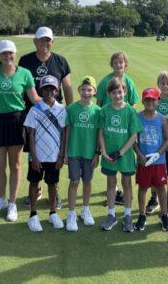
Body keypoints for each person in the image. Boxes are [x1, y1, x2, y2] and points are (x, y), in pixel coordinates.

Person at [0, 40, 40, 222]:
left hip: (17, 121)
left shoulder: (24, 73)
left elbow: (34, 97)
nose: (7, 56)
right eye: (3, 54)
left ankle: (13, 203)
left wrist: (55, 105)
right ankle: (2, 199)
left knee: (15, 165)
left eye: (10, 53)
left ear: (15, 54)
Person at [19, 27, 73, 208]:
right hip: (33, 112)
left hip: (56, 115)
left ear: (52, 42)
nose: (45, 43)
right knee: (34, 151)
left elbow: (67, 88)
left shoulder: (60, 61)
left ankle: (53, 189)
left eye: (48, 40)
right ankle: (37, 188)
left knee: (54, 151)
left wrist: (70, 110)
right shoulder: (25, 60)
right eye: (41, 40)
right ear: (35, 41)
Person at [98, 77, 142, 233]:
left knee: (127, 184)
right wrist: (103, 150)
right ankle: (111, 215)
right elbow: (101, 133)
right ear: (109, 94)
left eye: (120, 92)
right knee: (111, 184)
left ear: (125, 92)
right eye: (114, 93)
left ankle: (128, 216)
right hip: (109, 155)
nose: (117, 96)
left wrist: (121, 152)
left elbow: (134, 135)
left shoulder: (130, 111)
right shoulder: (104, 110)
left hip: (125, 156)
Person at [24, 75, 67, 232]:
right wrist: (34, 157)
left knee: (52, 184)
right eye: (45, 88)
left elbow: (64, 134)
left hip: (54, 156)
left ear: (56, 91)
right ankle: (33, 215)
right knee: (34, 183)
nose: (49, 91)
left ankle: (52, 212)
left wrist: (61, 155)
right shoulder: (34, 110)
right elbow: (31, 135)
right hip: (37, 156)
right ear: (41, 90)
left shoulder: (62, 110)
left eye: (52, 88)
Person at [96, 51, 139, 205]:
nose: (118, 65)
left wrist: (127, 118)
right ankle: (113, 198)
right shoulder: (105, 81)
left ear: (125, 64)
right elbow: (99, 102)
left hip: (124, 129)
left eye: (121, 62)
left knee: (125, 166)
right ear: (112, 64)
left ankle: (123, 197)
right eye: (115, 62)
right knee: (111, 173)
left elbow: (133, 104)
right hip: (108, 126)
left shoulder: (129, 82)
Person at [63, 76, 101, 232]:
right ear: (79, 90)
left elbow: (99, 133)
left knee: (87, 181)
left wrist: (97, 153)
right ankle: (71, 213)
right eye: (83, 89)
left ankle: (85, 209)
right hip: (74, 152)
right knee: (74, 181)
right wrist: (65, 152)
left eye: (89, 89)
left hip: (89, 153)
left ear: (94, 91)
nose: (86, 92)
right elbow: (67, 130)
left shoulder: (98, 111)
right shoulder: (71, 108)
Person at [133, 87, 168, 232]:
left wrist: (158, 154)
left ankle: (163, 215)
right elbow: (133, 140)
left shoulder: (162, 118)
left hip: (159, 161)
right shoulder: (137, 117)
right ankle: (142, 215)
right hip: (143, 161)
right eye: (147, 99)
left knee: (161, 187)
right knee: (143, 187)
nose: (150, 102)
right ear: (143, 100)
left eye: (153, 99)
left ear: (158, 101)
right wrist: (140, 155)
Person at [145, 71, 168, 217]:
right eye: (162, 83)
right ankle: (154, 200)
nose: (165, 86)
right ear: (158, 84)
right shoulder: (155, 100)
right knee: (155, 174)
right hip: (157, 147)